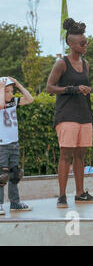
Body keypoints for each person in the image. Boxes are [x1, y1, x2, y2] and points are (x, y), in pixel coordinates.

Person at [46, 18, 93, 208]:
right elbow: (49, 88)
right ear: (71, 44)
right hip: (66, 115)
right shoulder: (61, 63)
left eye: (86, 42)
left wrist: (84, 90)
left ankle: (80, 194)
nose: (85, 45)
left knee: (80, 155)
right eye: (82, 43)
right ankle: (62, 196)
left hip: (84, 115)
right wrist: (73, 89)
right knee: (65, 155)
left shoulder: (85, 64)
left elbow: (81, 86)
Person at [0, 77, 34, 214]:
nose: (11, 94)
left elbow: (30, 99)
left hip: (14, 143)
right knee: (2, 176)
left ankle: (15, 203)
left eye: (11, 91)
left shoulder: (13, 102)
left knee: (15, 174)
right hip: (2, 145)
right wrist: (1, 89)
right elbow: (1, 105)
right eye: (8, 91)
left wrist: (19, 85)